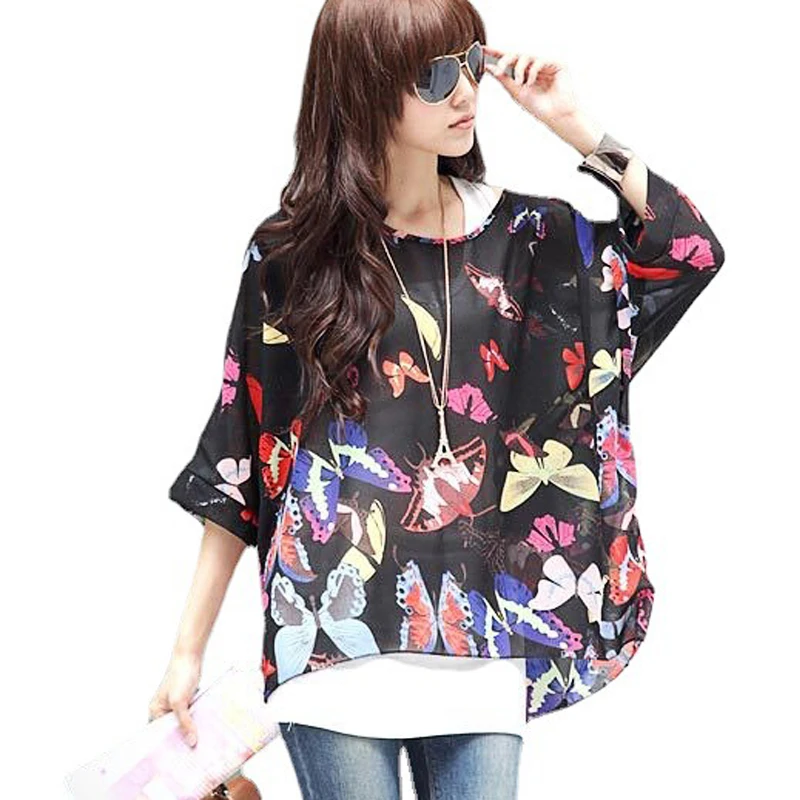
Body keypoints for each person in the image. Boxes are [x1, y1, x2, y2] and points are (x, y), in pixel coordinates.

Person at [150, 1, 725, 798]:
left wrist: (576, 127)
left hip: (480, 634)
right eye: (433, 75)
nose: (465, 92)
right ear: (365, 87)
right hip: (331, 633)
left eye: (470, 62)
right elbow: (239, 457)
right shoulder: (292, 256)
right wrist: (185, 654)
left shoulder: (533, 240)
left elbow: (686, 252)